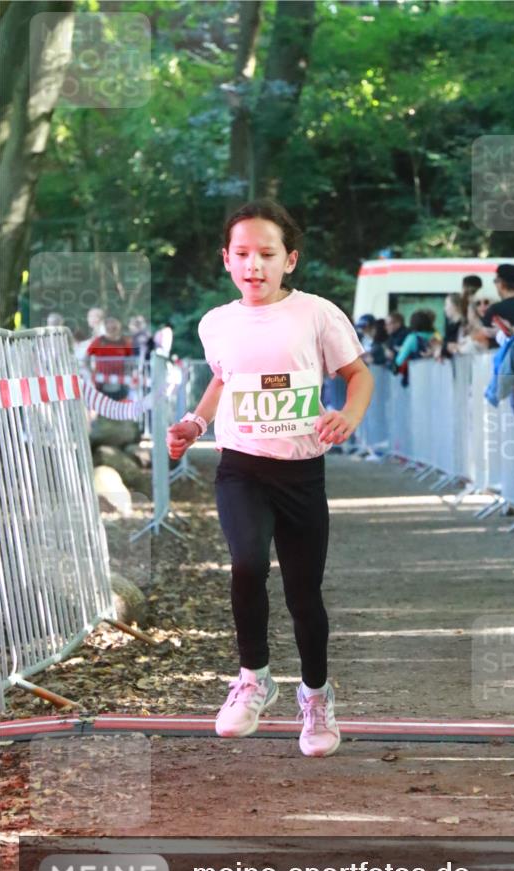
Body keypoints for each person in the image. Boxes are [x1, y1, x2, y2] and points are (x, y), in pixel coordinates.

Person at [166, 199, 373, 758]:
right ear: (226, 260)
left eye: (267, 254)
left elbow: (358, 375)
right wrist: (194, 423)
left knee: (304, 594)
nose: (253, 265)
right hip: (242, 468)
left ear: (290, 260)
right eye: (242, 254)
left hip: (301, 473)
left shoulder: (317, 314)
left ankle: (316, 697)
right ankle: (253, 678)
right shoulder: (216, 323)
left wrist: (348, 416)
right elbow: (223, 380)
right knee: (248, 563)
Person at [86, 316, 135, 400]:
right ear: (105, 328)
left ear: (119, 326)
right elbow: (86, 357)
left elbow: (130, 360)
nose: (111, 328)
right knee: (102, 403)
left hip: (121, 380)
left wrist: (128, 373)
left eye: (113, 326)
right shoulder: (99, 341)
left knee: (120, 403)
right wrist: (90, 372)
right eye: (108, 326)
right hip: (101, 381)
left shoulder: (125, 342)